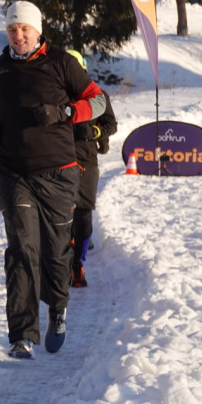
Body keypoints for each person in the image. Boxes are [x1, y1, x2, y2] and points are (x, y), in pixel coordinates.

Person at [0, 1, 108, 359]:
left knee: (55, 250)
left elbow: (98, 101)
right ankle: (21, 334)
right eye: (12, 29)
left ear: (38, 31)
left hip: (58, 171)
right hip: (13, 171)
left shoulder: (61, 62)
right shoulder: (0, 68)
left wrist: (66, 111)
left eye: (24, 29)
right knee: (22, 249)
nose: (18, 35)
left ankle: (56, 309)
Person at [66, 49, 117, 288]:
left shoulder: (98, 95)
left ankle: (78, 263)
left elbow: (111, 125)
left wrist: (94, 132)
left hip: (86, 162)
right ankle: (64, 262)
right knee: (62, 217)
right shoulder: (56, 95)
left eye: (76, 67)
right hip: (57, 162)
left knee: (83, 216)